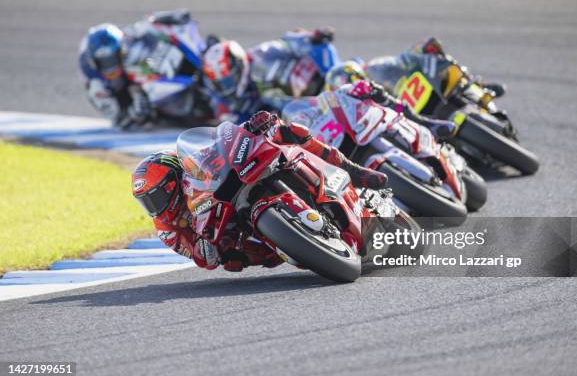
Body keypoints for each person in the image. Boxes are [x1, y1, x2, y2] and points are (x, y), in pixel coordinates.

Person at [131, 114, 386, 272]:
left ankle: (352, 169)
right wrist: (210, 249)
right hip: (237, 232)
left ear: (174, 182)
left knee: (285, 130)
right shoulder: (167, 230)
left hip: (247, 179)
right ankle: (301, 245)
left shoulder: (193, 165)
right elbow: (202, 258)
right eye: (148, 202)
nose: (157, 207)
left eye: (158, 197)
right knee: (237, 260)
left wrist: (252, 126)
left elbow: (221, 146)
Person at [79, 9, 212, 129]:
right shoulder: (96, 87)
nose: (110, 66)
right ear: (94, 62)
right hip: (143, 101)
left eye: (113, 58)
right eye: (105, 62)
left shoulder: (124, 38)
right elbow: (118, 120)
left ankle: (203, 55)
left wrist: (169, 18)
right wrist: (135, 113)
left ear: (120, 51)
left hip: (152, 66)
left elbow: (146, 24)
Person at [201, 27, 338, 123]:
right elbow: (234, 124)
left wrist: (313, 36)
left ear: (237, 65)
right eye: (221, 83)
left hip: (318, 80)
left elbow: (289, 40)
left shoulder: (263, 53)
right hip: (301, 114)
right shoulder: (227, 100)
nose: (226, 87)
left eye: (228, 80)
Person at [325, 60, 457, 139]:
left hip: (386, 117)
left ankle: (429, 124)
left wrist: (381, 96)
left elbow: (391, 94)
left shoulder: (371, 84)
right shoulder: (333, 107)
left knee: (399, 106)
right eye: (340, 82)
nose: (347, 83)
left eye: (351, 78)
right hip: (360, 131)